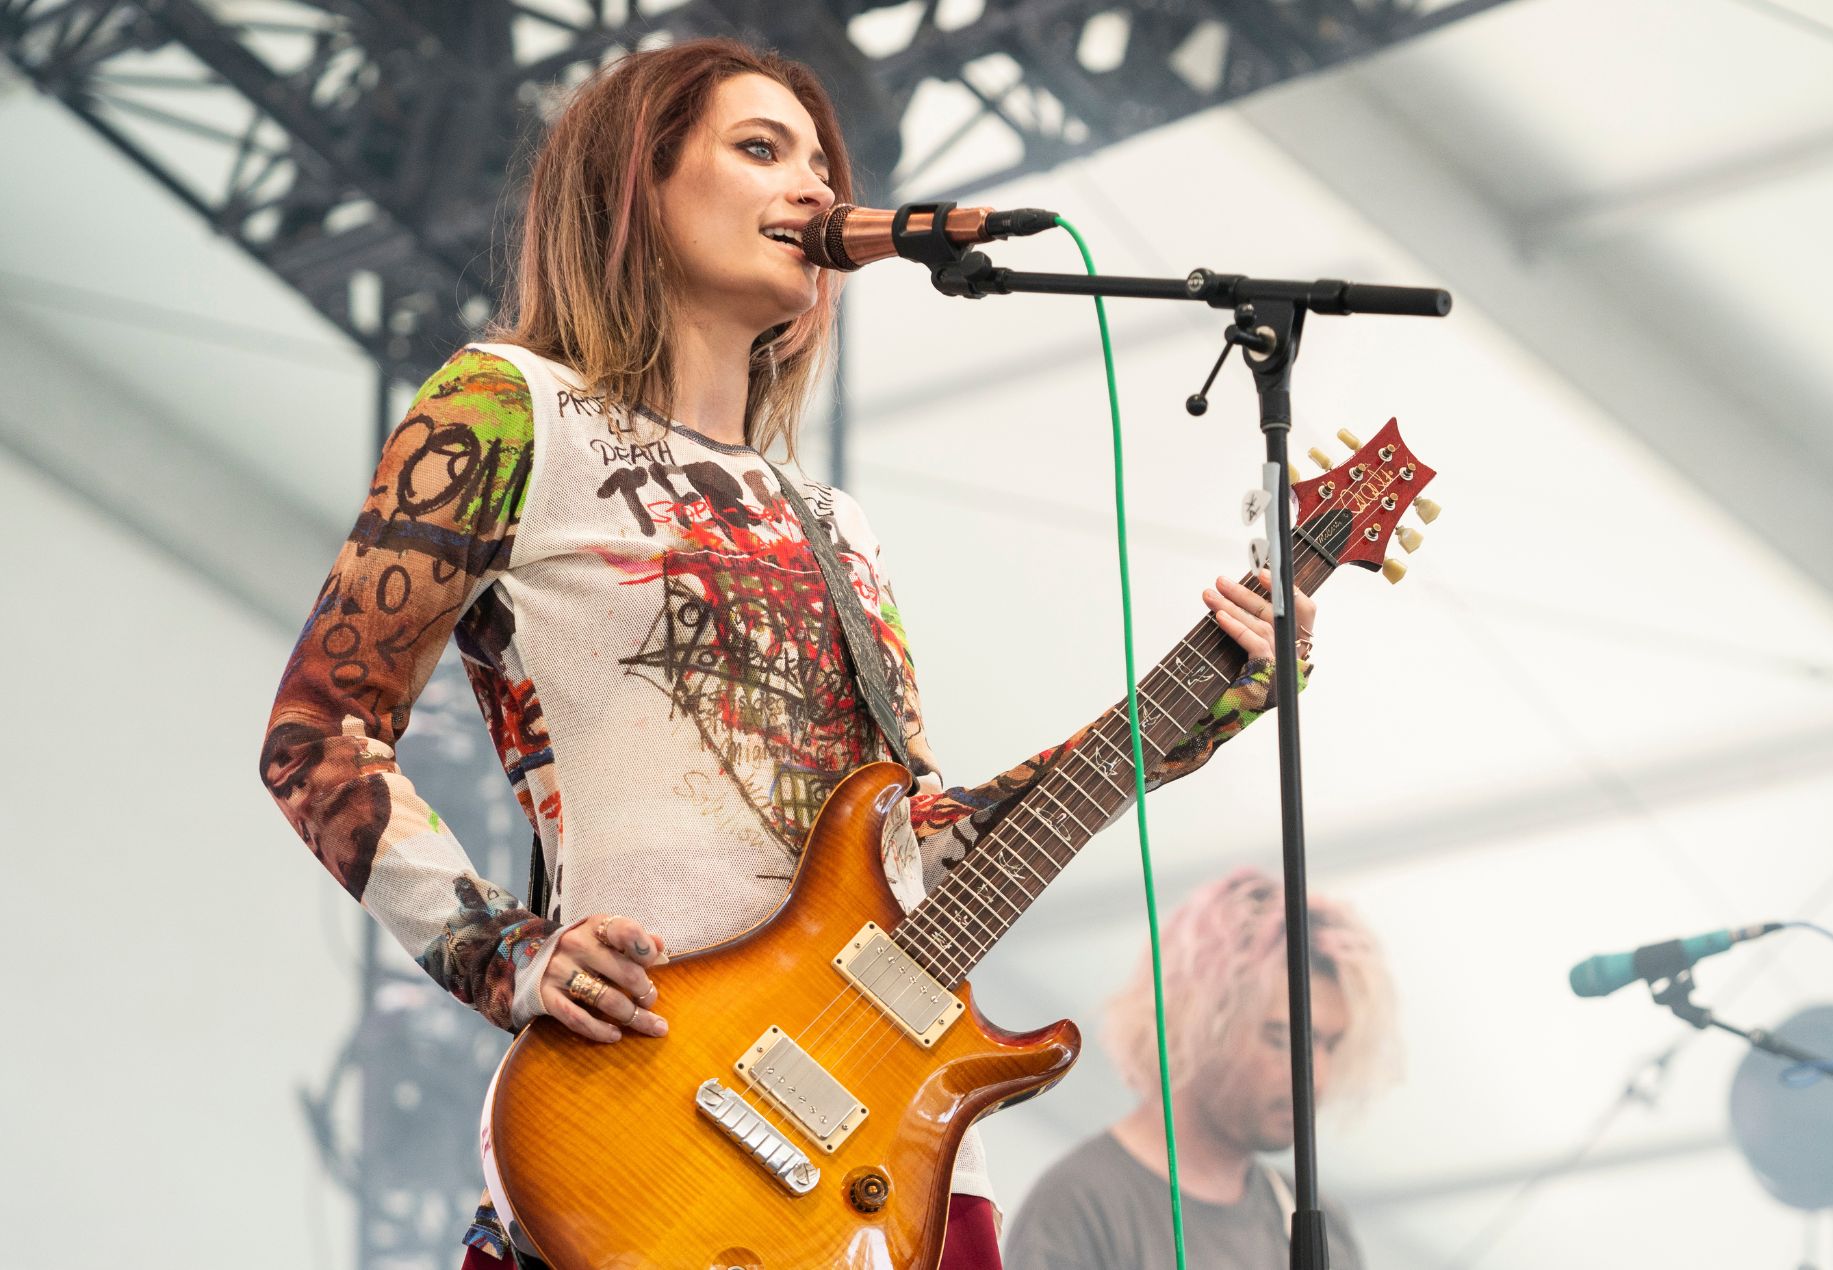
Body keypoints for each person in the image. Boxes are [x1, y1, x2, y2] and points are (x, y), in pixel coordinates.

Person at [257, 36, 1317, 1270]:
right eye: (760, 150)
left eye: (822, 162)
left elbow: (910, 847)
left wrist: (1206, 695)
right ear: (632, 189)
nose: (817, 189)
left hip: (891, 1161)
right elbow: (317, 732)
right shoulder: (511, 406)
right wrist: (508, 952)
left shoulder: (836, 524)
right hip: (661, 1109)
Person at [1003, 868, 1400, 1270]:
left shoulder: (1322, 1226)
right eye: (1281, 1039)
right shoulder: (1082, 1206)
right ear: (1200, 1023)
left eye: (1329, 1045)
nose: (1315, 1077)